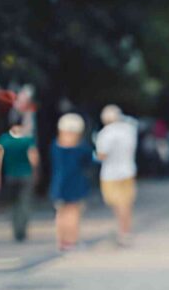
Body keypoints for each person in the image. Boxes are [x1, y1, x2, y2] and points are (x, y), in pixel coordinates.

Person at [95, 104, 138, 246]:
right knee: (126, 203)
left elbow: (101, 155)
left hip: (111, 174)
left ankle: (122, 231)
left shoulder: (105, 133)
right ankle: (126, 230)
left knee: (117, 203)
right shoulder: (129, 130)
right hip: (128, 170)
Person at [0, 116, 39, 241]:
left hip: (10, 176)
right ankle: (22, 229)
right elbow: (33, 157)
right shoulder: (27, 139)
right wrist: (35, 172)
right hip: (26, 175)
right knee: (25, 203)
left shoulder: (4, 139)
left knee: (13, 204)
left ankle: (16, 229)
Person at [50, 113, 92, 251]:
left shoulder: (56, 145)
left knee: (60, 213)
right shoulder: (81, 148)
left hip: (59, 183)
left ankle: (61, 241)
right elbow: (89, 161)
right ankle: (72, 241)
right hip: (76, 183)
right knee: (73, 213)